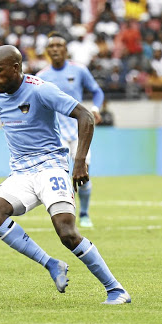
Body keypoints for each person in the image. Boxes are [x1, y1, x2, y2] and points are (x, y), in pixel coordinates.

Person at [0, 45, 130, 305]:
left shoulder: (41, 89)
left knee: (67, 233)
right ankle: (51, 264)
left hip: (51, 166)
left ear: (15, 68)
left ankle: (116, 289)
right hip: (21, 172)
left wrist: (80, 161)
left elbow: (85, 116)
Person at [37, 32, 105, 228]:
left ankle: (84, 213)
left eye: (59, 46)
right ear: (47, 51)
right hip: (54, 135)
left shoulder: (79, 70)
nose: (55, 49)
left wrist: (95, 109)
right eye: (52, 46)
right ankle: (67, 215)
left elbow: (97, 91)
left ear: (66, 50)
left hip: (78, 132)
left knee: (83, 173)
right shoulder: (41, 77)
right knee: (58, 177)